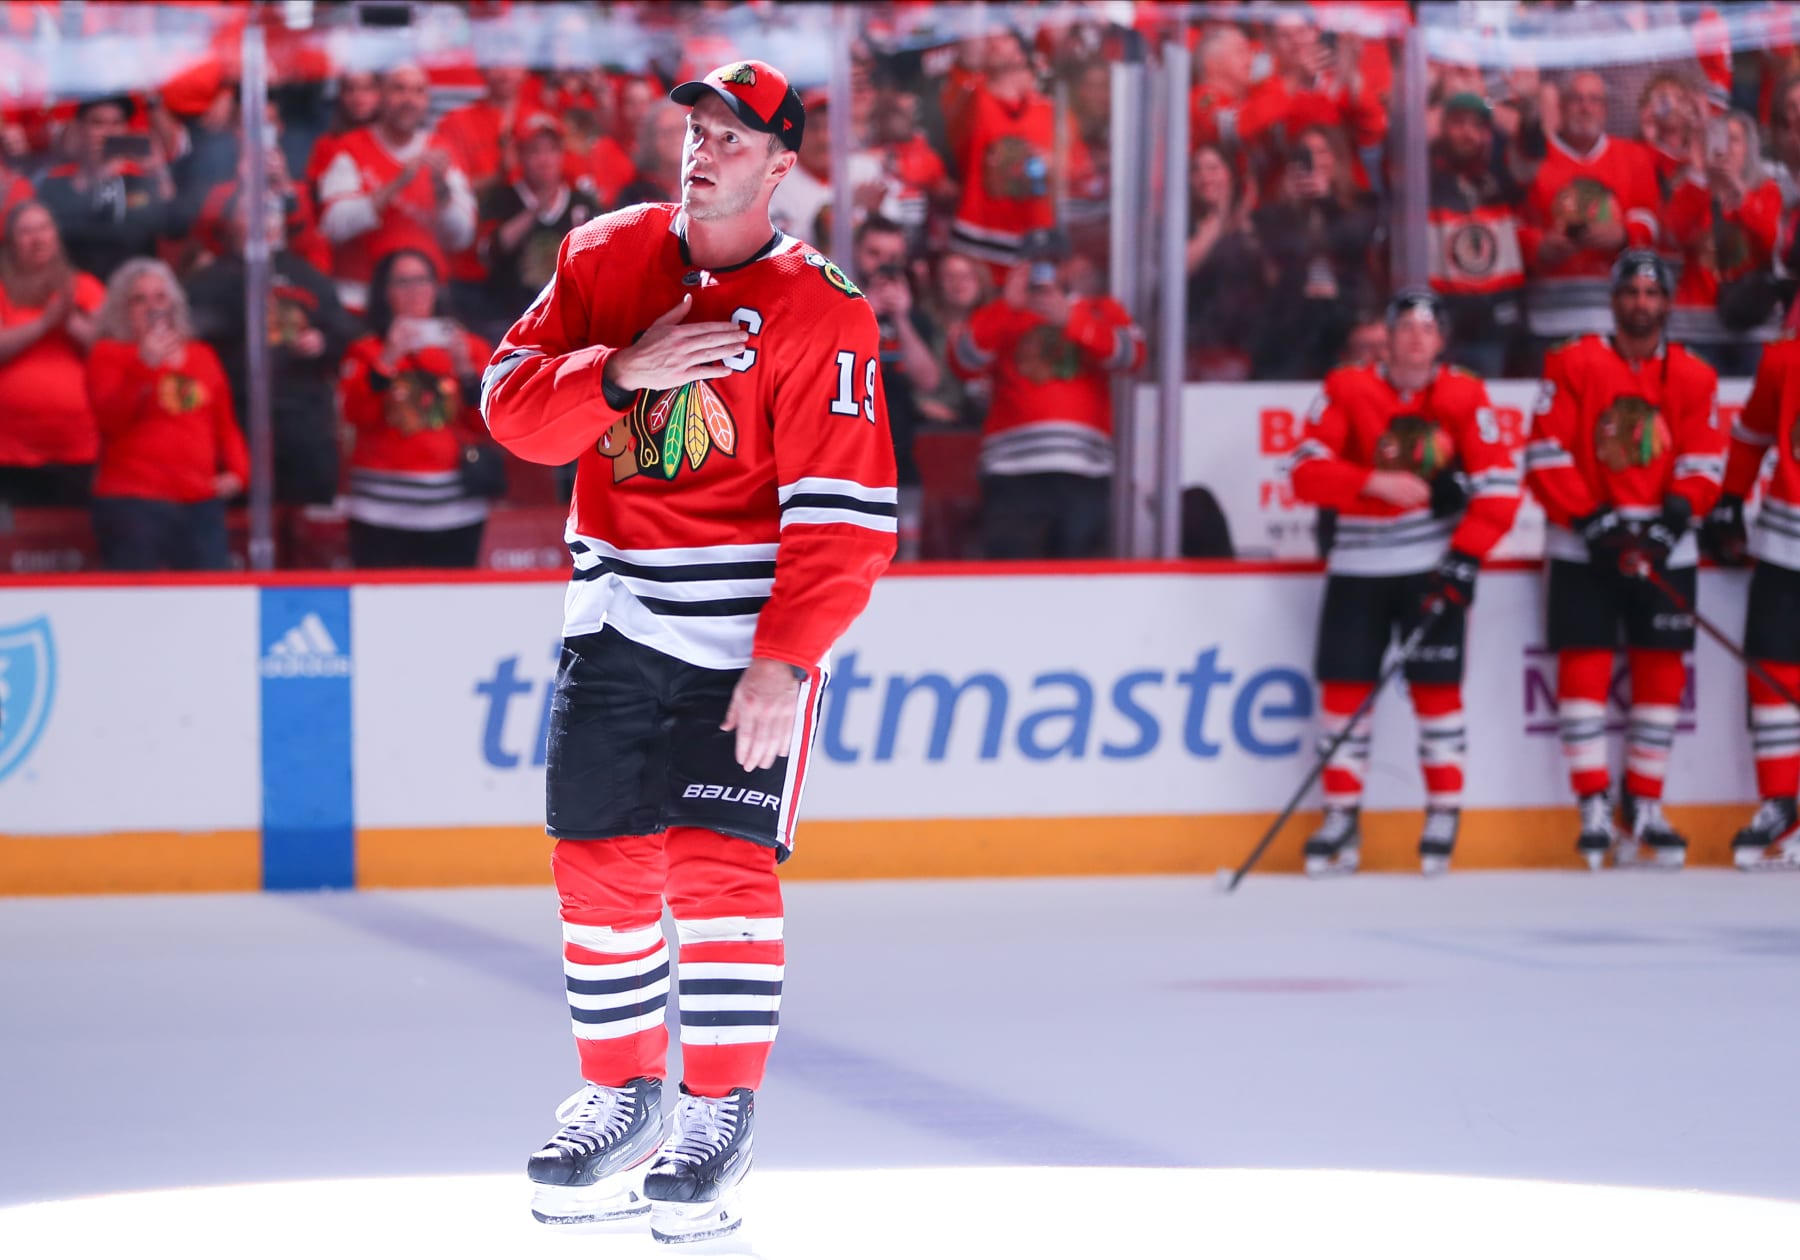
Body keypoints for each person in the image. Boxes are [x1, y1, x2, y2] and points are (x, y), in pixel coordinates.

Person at [480, 60, 895, 1243]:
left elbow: (849, 516)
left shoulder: (825, 308)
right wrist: (618, 373)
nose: (703, 151)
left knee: (719, 870)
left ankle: (717, 1114)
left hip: (742, 641)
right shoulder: (603, 258)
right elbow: (510, 409)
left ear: (783, 165)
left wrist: (786, 658)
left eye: (733, 137)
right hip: (614, 618)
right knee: (599, 861)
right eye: (696, 130)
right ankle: (620, 1094)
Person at [1285, 290, 1522, 877]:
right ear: (1385, 337)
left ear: (1442, 340)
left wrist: (1466, 555)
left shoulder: (1466, 394)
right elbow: (1303, 473)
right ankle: (1340, 815)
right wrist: (1372, 482)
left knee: (1437, 693)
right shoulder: (1346, 388)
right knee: (1342, 697)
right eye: (1405, 326)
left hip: (1428, 568)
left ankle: (1444, 810)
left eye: (1428, 327)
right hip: (1357, 568)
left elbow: (1499, 486)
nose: (1417, 337)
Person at [1523, 250, 1725, 870]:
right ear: (1614, 300)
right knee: (1584, 666)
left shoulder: (1695, 376)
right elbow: (1546, 452)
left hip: (1665, 543)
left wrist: (1672, 519)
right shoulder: (1572, 361)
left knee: (1661, 670)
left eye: (1651, 292)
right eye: (1630, 292)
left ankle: (1643, 803)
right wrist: (1591, 519)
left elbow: (1705, 459)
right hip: (1584, 544)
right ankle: (1592, 805)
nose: (1640, 303)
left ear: (1667, 302)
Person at [948, 227, 1143, 559]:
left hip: (1084, 472)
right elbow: (963, 361)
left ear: (1069, 267)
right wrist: (1007, 307)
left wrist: (1072, 318)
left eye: (1052, 262)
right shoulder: (1002, 312)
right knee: (1010, 584)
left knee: (1081, 584)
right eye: (1033, 263)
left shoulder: (1099, 308)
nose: (1043, 271)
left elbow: (1132, 355)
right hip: (1011, 473)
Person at [1700, 333, 1800, 869]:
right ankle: (1781, 803)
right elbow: (1753, 432)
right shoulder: (1785, 358)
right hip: (1785, 544)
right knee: (1771, 674)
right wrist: (1730, 501)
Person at [186, 190, 353, 506]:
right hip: (238, 411)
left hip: (301, 416)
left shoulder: (309, 278)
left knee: (306, 514)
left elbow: (342, 332)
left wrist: (321, 343)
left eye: (271, 211)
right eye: (252, 211)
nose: (264, 219)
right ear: (230, 223)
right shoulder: (210, 279)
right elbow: (197, 333)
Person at [86, 259, 247, 571]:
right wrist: (144, 366)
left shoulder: (202, 355)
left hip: (199, 501)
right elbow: (110, 421)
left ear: (174, 305)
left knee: (209, 599)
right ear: (122, 309)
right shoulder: (109, 354)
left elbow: (225, 425)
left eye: (160, 298)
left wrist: (239, 472)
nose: (152, 307)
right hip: (134, 502)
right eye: (139, 299)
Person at [339, 249, 494, 568]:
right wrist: (388, 359)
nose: (415, 291)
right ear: (385, 292)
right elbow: (355, 414)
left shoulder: (470, 348)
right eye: (403, 282)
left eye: (423, 280)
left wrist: (466, 370)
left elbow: (489, 425)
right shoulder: (366, 350)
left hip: (455, 509)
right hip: (380, 509)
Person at [1518, 72, 1662, 367]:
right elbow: (1516, 225)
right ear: (1561, 107)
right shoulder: (1535, 159)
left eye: (1594, 100)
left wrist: (1623, 235)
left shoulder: (1633, 156)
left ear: (1606, 110)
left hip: (1617, 318)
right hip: (1548, 318)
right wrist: (1540, 247)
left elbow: (1651, 222)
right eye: (1576, 99)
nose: (1585, 107)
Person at [316, 64, 477, 313]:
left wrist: (441, 189)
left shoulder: (442, 151)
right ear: (381, 96)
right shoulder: (349, 148)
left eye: (418, 92)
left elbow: (461, 236)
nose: (409, 100)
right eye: (399, 89)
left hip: (426, 304)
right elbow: (333, 225)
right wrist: (397, 183)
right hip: (360, 301)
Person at [0, 201, 103, 507]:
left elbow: (109, 350)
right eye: (26, 231)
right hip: (11, 450)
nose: (38, 238)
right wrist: (45, 323)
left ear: (56, 236)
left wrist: (70, 322)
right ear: (11, 242)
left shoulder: (83, 286)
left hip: (81, 445)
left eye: (44, 228)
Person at [854, 214, 944, 562]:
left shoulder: (915, 316)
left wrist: (902, 318)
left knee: (906, 563)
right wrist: (866, 312)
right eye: (874, 254)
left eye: (892, 257)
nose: (883, 266)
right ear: (857, 253)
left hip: (902, 463)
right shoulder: (835, 309)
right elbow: (826, 368)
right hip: (848, 467)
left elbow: (929, 380)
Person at [477, 113, 602, 340]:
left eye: (551, 150)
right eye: (534, 151)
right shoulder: (501, 199)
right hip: (512, 317)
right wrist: (535, 210)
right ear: (520, 156)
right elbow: (489, 252)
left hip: (570, 316)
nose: (544, 160)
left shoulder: (582, 203)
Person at [1428, 93, 1526, 378]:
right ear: (1442, 128)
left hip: (1491, 325)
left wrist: (1515, 112)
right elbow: (1398, 155)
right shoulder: (1423, 179)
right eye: (1458, 123)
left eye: (1476, 126)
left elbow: (1532, 161)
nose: (1467, 133)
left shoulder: (1499, 177)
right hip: (1440, 325)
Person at [36, 96, 181, 283]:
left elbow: (174, 227)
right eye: (98, 123)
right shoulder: (56, 183)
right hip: (76, 289)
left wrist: (160, 173)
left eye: (116, 123)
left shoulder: (140, 179)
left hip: (134, 290)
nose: (108, 132)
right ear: (80, 128)